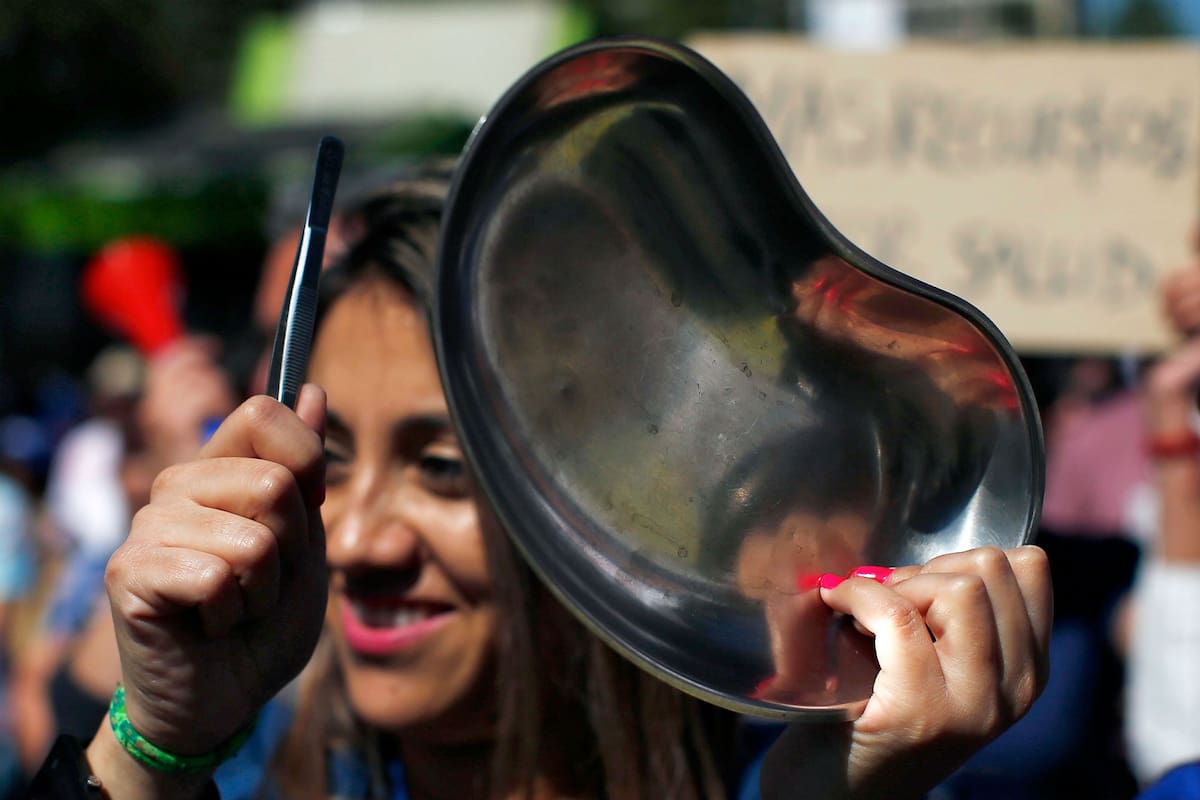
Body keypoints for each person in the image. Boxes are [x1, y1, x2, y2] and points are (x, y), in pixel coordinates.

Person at [29, 171, 1052, 800]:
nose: (357, 542)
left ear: (632, 499)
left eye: (442, 469)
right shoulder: (246, 776)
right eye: (332, 469)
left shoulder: (827, 782)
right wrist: (155, 744)